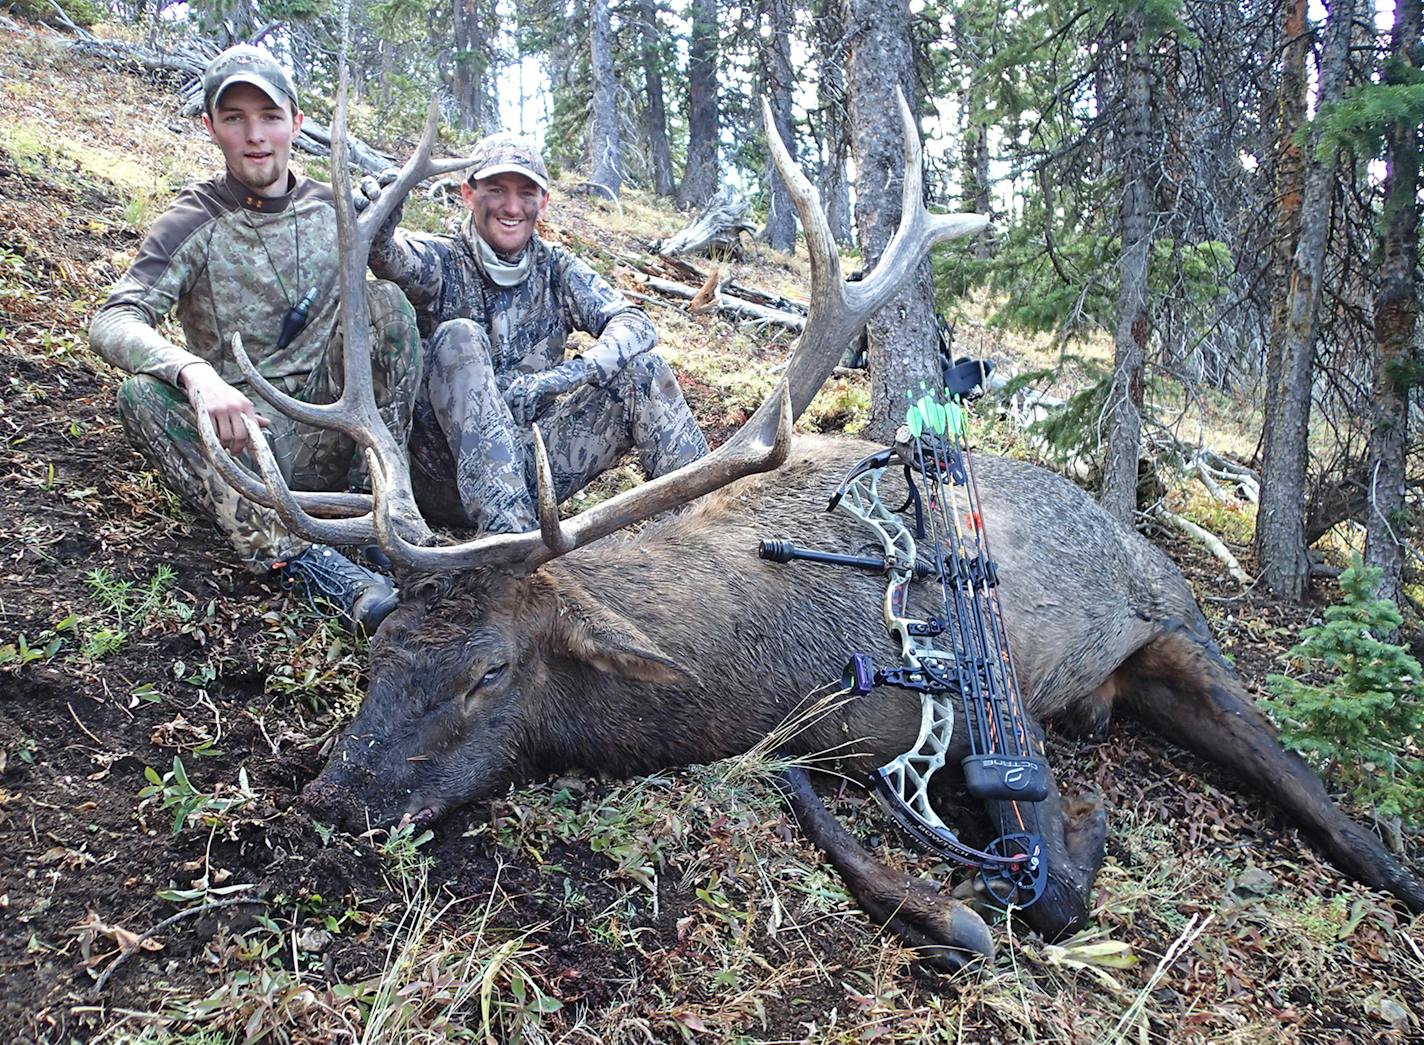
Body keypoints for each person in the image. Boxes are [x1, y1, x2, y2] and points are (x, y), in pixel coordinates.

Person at [89, 45, 421, 633]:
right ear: (210, 126)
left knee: (385, 304)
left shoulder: (335, 206)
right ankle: (307, 564)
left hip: (336, 429)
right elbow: (114, 319)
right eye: (235, 118)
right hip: (247, 445)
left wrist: (387, 226)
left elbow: (408, 287)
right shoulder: (192, 221)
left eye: (269, 116)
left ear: (296, 121)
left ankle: (383, 518)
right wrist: (195, 374)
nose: (255, 135)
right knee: (141, 395)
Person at [365, 132, 709, 533]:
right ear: (467, 194)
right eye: (496, 190)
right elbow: (392, 259)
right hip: (442, 476)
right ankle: (511, 542)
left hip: (532, 470)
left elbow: (634, 323)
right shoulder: (442, 261)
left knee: (644, 371)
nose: (512, 207)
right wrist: (381, 225)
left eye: (526, 193)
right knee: (459, 336)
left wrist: (569, 375)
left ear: (543, 202)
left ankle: (706, 532)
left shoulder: (556, 269)